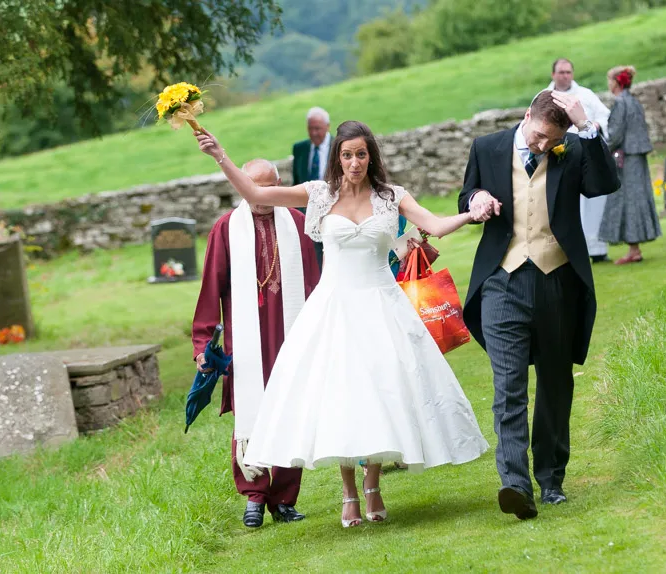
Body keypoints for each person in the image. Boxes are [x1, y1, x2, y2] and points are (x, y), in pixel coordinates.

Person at [194, 120, 490, 529]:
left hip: (383, 306)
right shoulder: (318, 194)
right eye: (347, 155)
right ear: (338, 157)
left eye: (361, 154)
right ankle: (348, 491)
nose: (354, 162)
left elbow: (435, 225)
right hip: (333, 308)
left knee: (383, 392)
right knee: (341, 396)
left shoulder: (391, 197)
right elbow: (256, 193)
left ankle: (372, 487)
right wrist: (219, 155)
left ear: (372, 157)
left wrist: (472, 214)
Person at [458, 90, 620, 520]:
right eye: (538, 135)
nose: (542, 145)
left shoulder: (573, 148)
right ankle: (515, 483)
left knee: (554, 383)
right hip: (502, 281)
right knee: (508, 385)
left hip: (557, 281)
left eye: (552, 140)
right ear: (526, 115)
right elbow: (466, 193)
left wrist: (587, 128)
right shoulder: (487, 147)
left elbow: (605, 184)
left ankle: (551, 478)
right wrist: (475, 200)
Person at [191, 159, 321, 528]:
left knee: (290, 407)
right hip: (244, 336)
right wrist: (203, 342)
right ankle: (254, 494)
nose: (262, 198)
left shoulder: (297, 224)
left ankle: (283, 498)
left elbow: (311, 281)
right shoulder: (226, 228)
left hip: (290, 330)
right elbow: (210, 289)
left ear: (280, 185)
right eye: (254, 188)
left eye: (269, 189)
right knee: (253, 409)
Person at [548, 58, 613, 264]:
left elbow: (605, 116)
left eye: (568, 72)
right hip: (559, 158)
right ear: (553, 75)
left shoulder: (585, 95)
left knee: (593, 202)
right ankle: (566, 250)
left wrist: (593, 125)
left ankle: (596, 248)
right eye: (561, 72)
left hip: (586, 157)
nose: (565, 76)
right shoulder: (544, 97)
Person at [598, 66, 661, 265]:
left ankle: (634, 251)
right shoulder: (634, 102)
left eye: (610, 81)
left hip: (625, 159)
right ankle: (635, 249)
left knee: (627, 201)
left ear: (616, 83)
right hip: (637, 157)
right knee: (636, 199)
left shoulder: (620, 103)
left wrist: (598, 148)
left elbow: (615, 135)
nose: (608, 85)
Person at [292, 107, 333, 267]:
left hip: (332, 212)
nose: (314, 133)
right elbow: (297, 182)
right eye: (311, 128)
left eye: (318, 129)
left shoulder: (340, 147)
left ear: (327, 127)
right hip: (307, 215)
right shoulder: (299, 148)